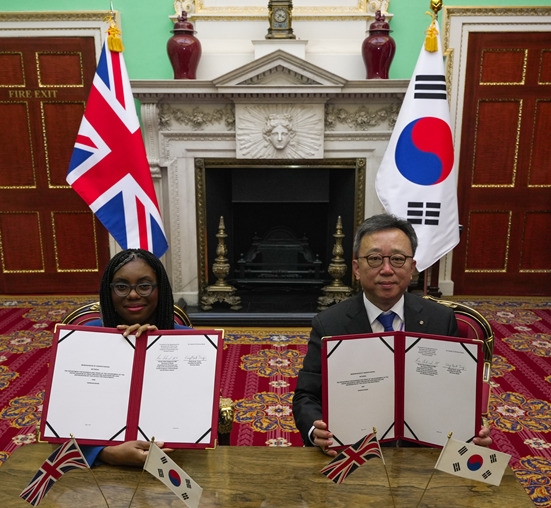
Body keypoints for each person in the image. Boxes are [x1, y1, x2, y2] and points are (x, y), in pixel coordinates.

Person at [292, 214, 492, 456]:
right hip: (354, 451)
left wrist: (470, 428)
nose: (386, 270)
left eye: (397, 259)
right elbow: (306, 395)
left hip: (424, 451)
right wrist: (316, 431)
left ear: (412, 267)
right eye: (375, 259)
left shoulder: (439, 319)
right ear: (356, 268)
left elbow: (455, 394)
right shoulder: (329, 323)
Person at [82, 248, 189, 467]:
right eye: (121, 287)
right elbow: (64, 415)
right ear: (108, 291)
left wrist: (155, 347)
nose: (133, 294)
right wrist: (106, 453)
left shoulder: (186, 340)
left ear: (160, 290)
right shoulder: (85, 337)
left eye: (144, 285)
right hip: (99, 465)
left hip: (173, 458)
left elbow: (199, 407)